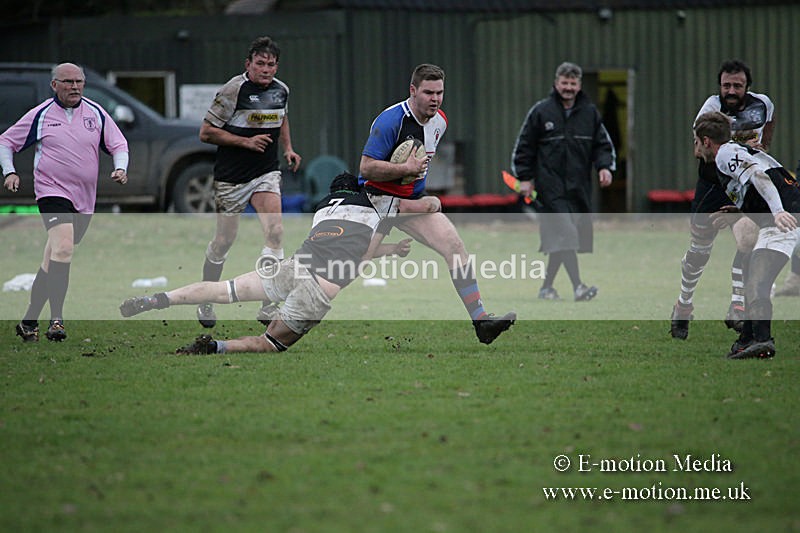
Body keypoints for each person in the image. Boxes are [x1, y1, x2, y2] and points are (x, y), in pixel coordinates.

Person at [119, 174, 440, 354]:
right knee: (271, 343)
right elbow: (426, 208)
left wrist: (390, 246)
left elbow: (349, 240)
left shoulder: (324, 208)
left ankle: (158, 300)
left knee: (222, 290)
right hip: (320, 286)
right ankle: (214, 347)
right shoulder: (377, 205)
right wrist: (393, 224)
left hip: (293, 266)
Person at [358, 63, 516, 345]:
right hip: (376, 201)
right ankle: (284, 308)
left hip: (409, 203)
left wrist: (420, 194)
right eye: (428, 92)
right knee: (349, 266)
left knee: (454, 246)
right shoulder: (390, 120)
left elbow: (418, 169)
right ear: (413, 91)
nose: (435, 99)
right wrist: (404, 170)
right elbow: (367, 169)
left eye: (439, 92)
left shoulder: (439, 121)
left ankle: (481, 322)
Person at [1, 62, 129, 343]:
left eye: (79, 81)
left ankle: (28, 321)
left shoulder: (96, 112)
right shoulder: (42, 114)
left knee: (53, 259)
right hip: (51, 191)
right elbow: (6, 142)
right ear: (54, 85)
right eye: (68, 82)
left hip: (84, 197)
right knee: (63, 248)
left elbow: (119, 143)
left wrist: (121, 167)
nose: (75, 87)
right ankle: (56, 320)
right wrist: (9, 171)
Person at [196, 35, 302, 329]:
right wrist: (245, 142)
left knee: (276, 232)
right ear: (248, 64)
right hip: (231, 178)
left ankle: (268, 302)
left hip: (266, 173)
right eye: (260, 64)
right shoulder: (233, 89)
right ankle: (206, 298)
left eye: (271, 64)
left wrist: (288, 148)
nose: (266, 69)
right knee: (223, 241)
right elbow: (205, 133)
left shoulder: (282, 91)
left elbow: (282, 119)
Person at [670, 59, 775, 339]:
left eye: (737, 85)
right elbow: (698, 152)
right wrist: (740, 147)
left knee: (748, 240)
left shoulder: (762, 104)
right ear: (719, 86)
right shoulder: (710, 109)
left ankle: (737, 306)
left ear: (747, 87)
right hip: (712, 185)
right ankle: (683, 305)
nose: (731, 90)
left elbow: (770, 124)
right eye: (726, 85)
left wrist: (763, 147)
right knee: (699, 250)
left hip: (743, 185)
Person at [693, 111, 800, 359]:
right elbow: (755, 184)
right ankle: (748, 340)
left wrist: (777, 211)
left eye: (697, 142)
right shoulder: (734, 150)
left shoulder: (724, 155)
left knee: (758, 280)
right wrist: (738, 209)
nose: (696, 148)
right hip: (784, 214)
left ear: (707, 141)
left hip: (787, 217)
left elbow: (759, 176)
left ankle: (762, 340)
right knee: (753, 272)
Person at [510, 61, 616, 302]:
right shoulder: (541, 112)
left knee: (563, 239)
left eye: (573, 83)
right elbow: (524, 147)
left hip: (578, 188)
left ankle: (546, 288)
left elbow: (603, 145)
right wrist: (525, 178)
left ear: (579, 86)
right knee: (567, 235)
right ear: (556, 83)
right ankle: (578, 287)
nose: (568, 87)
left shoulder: (589, 113)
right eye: (564, 82)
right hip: (550, 188)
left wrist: (604, 167)